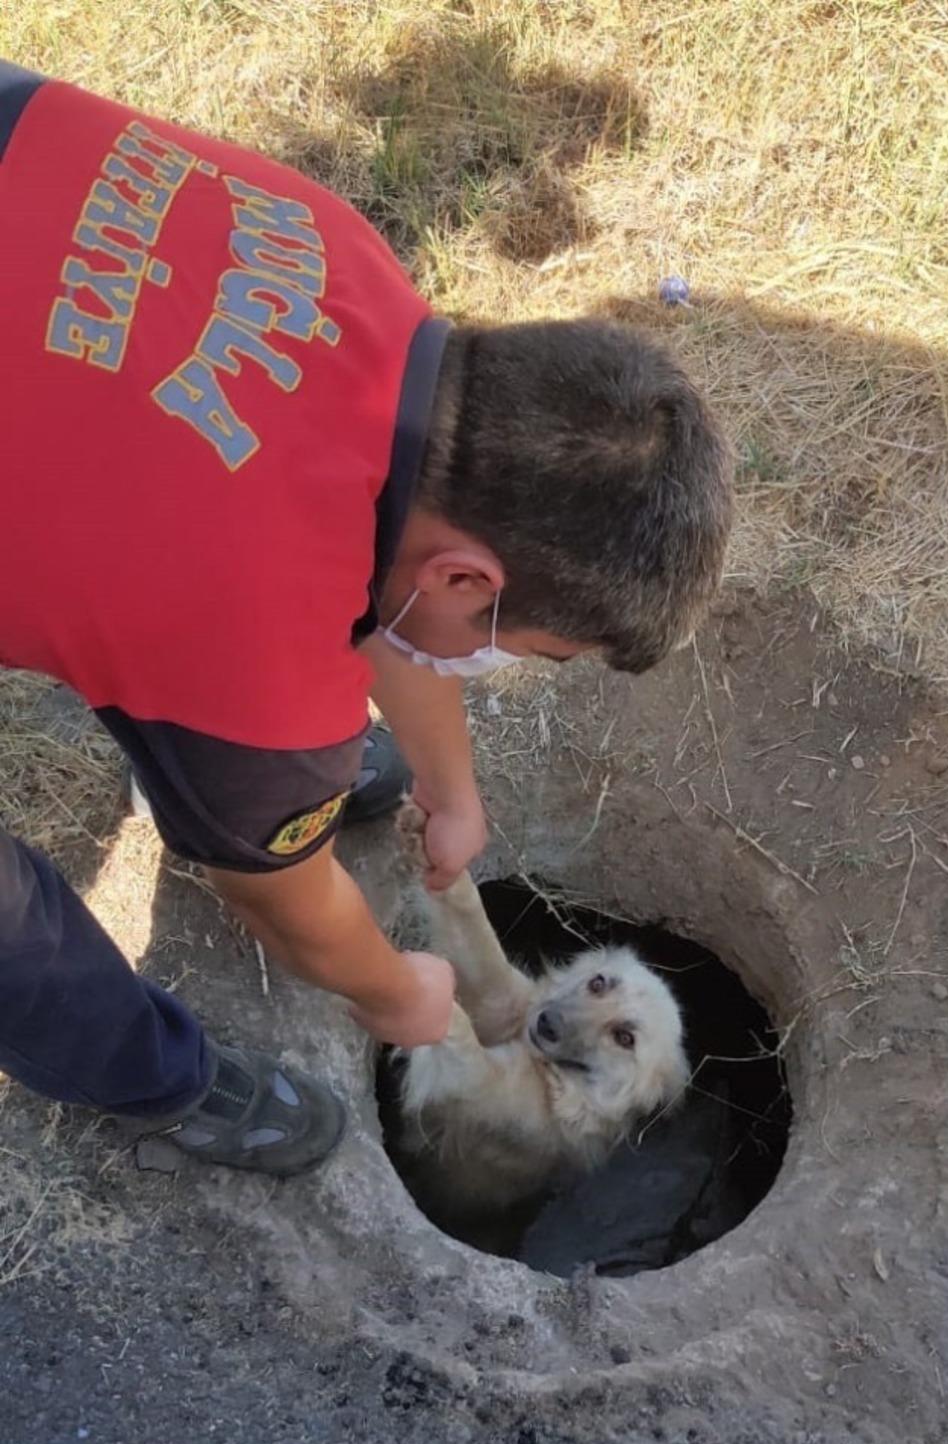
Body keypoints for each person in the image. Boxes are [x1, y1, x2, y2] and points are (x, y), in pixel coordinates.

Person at [0, 60, 732, 1176]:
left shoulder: (337, 252)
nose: (495, 663)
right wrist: (400, 989)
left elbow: (395, 563)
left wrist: (453, 787)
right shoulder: (260, 676)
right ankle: (158, 1076)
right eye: (527, 647)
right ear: (464, 583)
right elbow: (290, 914)